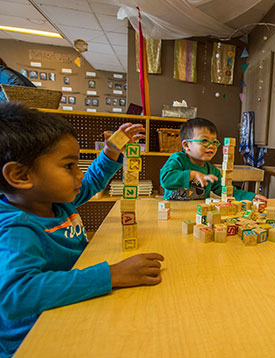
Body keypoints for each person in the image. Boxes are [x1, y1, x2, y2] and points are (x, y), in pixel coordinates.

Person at [0, 102, 164, 357]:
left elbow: (91, 183)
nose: (79, 174)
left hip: (67, 306)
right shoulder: (17, 229)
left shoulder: (55, 202)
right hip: (34, 337)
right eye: (69, 166)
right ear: (21, 176)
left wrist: (110, 151)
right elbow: (15, 296)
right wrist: (112, 275)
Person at [160, 117, 267, 202]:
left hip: (197, 215)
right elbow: (165, 180)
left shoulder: (212, 171)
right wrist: (192, 175)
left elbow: (228, 191)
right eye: (205, 141)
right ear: (186, 145)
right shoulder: (178, 159)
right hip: (173, 211)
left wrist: (250, 197)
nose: (211, 146)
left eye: (214, 142)